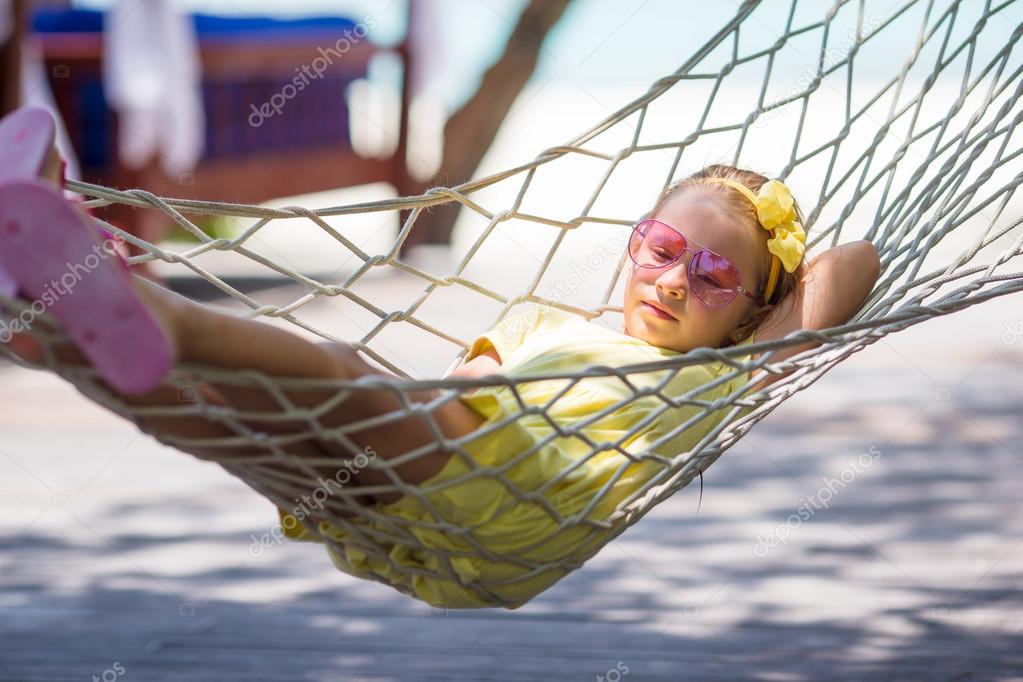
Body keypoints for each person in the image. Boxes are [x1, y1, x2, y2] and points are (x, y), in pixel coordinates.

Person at [0, 107, 881, 608]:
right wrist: (415, 418)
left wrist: (769, 268)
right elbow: (469, 386)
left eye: (716, 272)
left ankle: (118, 281)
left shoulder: (727, 376)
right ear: (631, 243)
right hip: (415, 507)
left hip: (513, 494)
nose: (676, 280)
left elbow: (854, 263)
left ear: (753, 311)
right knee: (239, 423)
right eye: (659, 246)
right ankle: (58, 337)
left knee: (341, 368)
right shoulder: (547, 329)